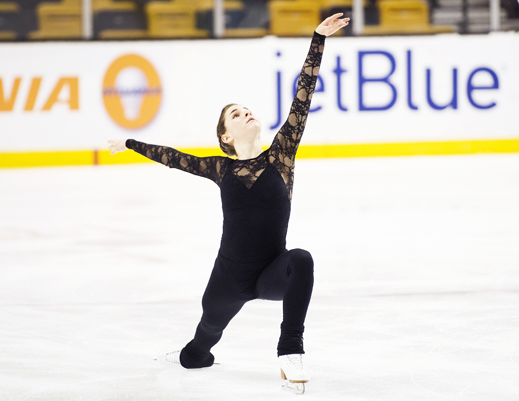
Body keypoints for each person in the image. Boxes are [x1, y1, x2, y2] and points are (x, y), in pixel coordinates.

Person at [108, 13, 349, 393]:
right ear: (225, 135)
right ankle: (191, 354)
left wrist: (318, 39)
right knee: (202, 344)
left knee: (301, 259)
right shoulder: (220, 168)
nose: (245, 112)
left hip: (272, 270)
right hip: (230, 278)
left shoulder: (280, 157)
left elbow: (304, 95)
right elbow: (172, 156)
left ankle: (290, 351)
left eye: (247, 108)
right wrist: (129, 144)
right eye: (235, 114)